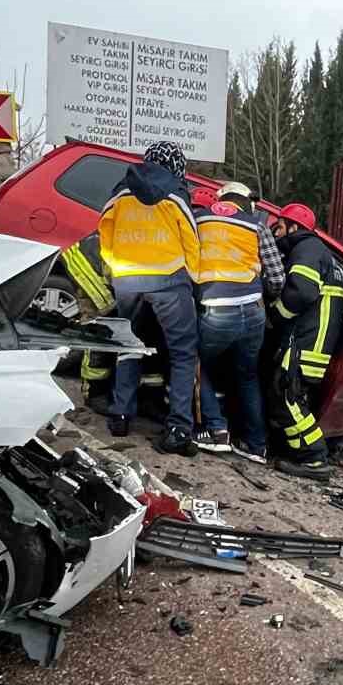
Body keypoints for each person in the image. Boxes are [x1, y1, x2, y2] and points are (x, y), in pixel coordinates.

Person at [96, 140, 201, 454]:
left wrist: (116, 269)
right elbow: (191, 240)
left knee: (129, 344)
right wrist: (192, 280)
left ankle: (120, 415)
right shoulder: (176, 194)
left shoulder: (120, 193)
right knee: (183, 352)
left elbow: (104, 232)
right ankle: (179, 426)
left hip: (127, 280)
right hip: (169, 280)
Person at [268, 202, 343, 481]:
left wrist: (274, 316)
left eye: (278, 227)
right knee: (289, 396)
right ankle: (300, 452)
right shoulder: (318, 253)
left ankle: (314, 458)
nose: (274, 233)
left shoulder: (307, 250)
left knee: (288, 397)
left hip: (306, 344)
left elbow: (301, 293)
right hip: (313, 343)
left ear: (294, 227)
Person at [193, 188, 270, 463]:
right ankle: (256, 446)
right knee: (248, 376)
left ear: (220, 200)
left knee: (193, 362)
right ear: (244, 203)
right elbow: (276, 277)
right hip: (254, 311)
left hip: (216, 310)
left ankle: (216, 429)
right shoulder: (257, 225)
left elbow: (187, 264)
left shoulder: (198, 219)